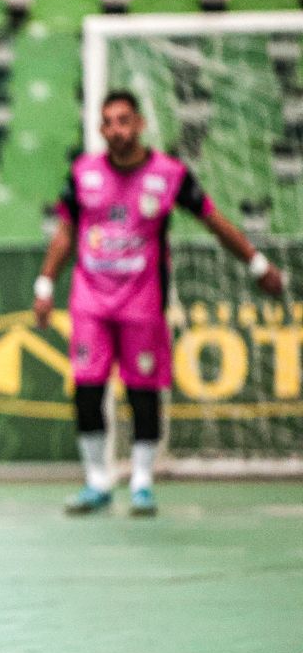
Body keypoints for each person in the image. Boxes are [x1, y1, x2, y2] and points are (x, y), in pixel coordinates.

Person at [32, 89, 284, 516]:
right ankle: (97, 480)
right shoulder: (83, 174)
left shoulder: (169, 175)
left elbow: (214, 220)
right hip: (91, 301)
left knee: (142, 393)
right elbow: (64, 232)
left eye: (125, 120)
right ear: (100, 128)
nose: (118, 130)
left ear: (141, 124)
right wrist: (44, 284)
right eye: (109, 122)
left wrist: (257, 263)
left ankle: (142, 482)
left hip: (142, 303)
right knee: (87, 392)